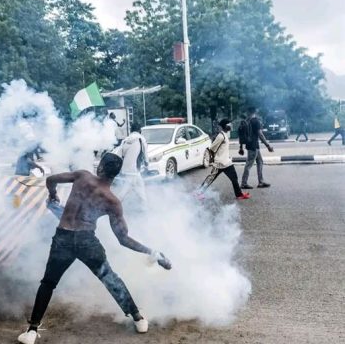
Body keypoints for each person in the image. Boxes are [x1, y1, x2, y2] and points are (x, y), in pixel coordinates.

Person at [17, 153, 171, 344]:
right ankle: (138, 318)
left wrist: (53, 194)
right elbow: (123, 239)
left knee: (48, 283)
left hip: (63, 238)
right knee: (110, 279)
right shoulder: (112, 201)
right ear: (115, 175)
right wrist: (153, 252)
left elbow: (50, 179)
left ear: (100, 168)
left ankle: (32, 331)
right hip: (87, 242)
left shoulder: (82, 176)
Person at [197, 119, 250, 200]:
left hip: (227, 162)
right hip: (219, 163)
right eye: (230, 124)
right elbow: (211, 149)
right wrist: (212, 160)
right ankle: (199, 193)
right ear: (225, 126)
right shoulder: (220, 136)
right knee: (211, 178)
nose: (231, 126)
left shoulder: (225, 134)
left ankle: (239, 194)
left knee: (234, 178)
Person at [112, 122, 149, 208]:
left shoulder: (125, 140)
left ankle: (144, 207)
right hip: (134, 170)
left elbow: (120, 154)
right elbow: (145, 154)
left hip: (127, 169)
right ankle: (114, 204)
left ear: (131, 130)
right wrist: (147, 165)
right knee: (125, 191)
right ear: (139, 130)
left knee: (140, 187)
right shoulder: (141, 139)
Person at [241, 107, 274, 189]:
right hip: (253, 146)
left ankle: (261, 182)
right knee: (249, 165)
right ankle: (243, 183)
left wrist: (241, 146)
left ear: (248, 111)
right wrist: (268, 145)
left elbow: (241, 134)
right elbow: (260, 134)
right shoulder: (256, 121)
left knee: (260, 162)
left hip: (251, 145)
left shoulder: (247, 121)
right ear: (255, 111)